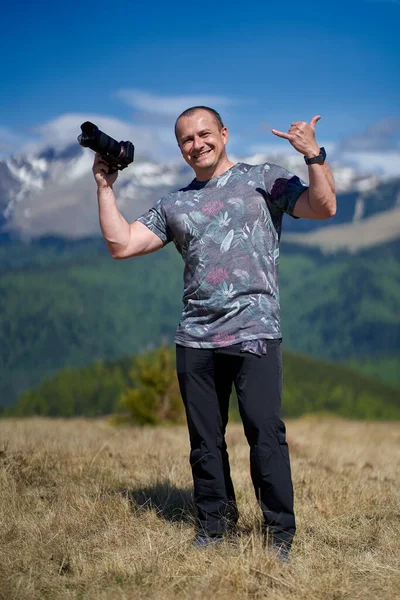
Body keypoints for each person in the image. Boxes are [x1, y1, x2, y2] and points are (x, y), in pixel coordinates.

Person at [92, 106, 336, 559]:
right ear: (180, 147)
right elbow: (122, 244)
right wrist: (105, 188)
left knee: (265, 432)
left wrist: (314, 157)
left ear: (223, 134)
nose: (196, 144)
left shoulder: (265, 178)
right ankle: (214, 527)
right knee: (205, 442)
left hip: (254, 332)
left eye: (204, 134)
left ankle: (279, 534)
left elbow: (323, 207)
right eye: (186, 139)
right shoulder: (175, 203)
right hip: (196, 338)